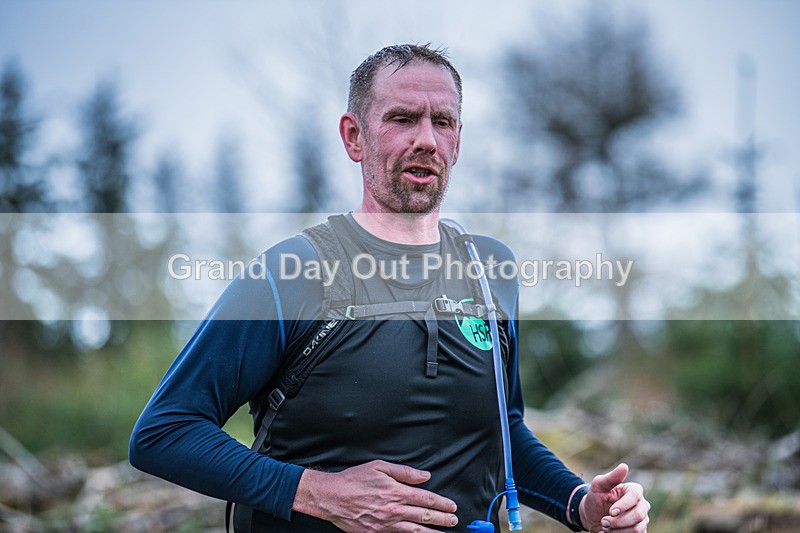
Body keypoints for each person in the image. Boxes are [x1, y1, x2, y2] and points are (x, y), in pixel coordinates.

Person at [129, 44, 650, 532]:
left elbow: (500, 429)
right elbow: (165, 432)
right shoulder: (292, 271)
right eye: (402, 119)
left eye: (441, 122)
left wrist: (581, 504)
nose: (425, 138)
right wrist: (320, 493)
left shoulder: (491, 269)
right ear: (354, 137)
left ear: (458, 140)